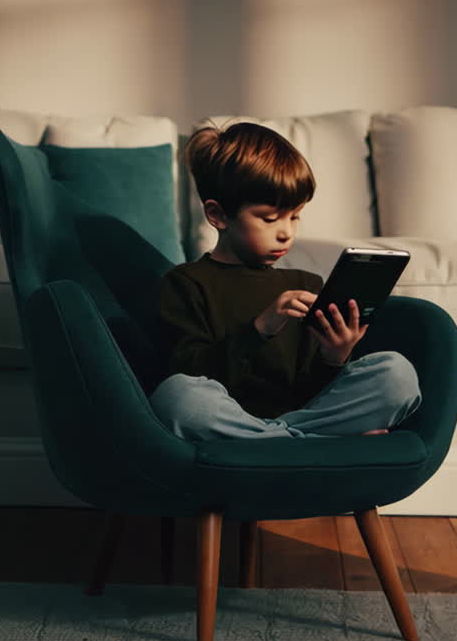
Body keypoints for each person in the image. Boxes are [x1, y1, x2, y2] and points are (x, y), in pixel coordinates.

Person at [149, 120, 421, 441]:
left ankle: (279, 442)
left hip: (294, 420)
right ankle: (318, 445)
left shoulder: (305, 284)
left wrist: (334, 357)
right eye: (269, 218)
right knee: (178, 397)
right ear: (218, 216)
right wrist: (260, 328)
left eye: (295, 216)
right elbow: (190, 373)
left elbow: (310, 394)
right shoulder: (185, 284)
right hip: (228, 417)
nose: (286, 232)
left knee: (397, 373)